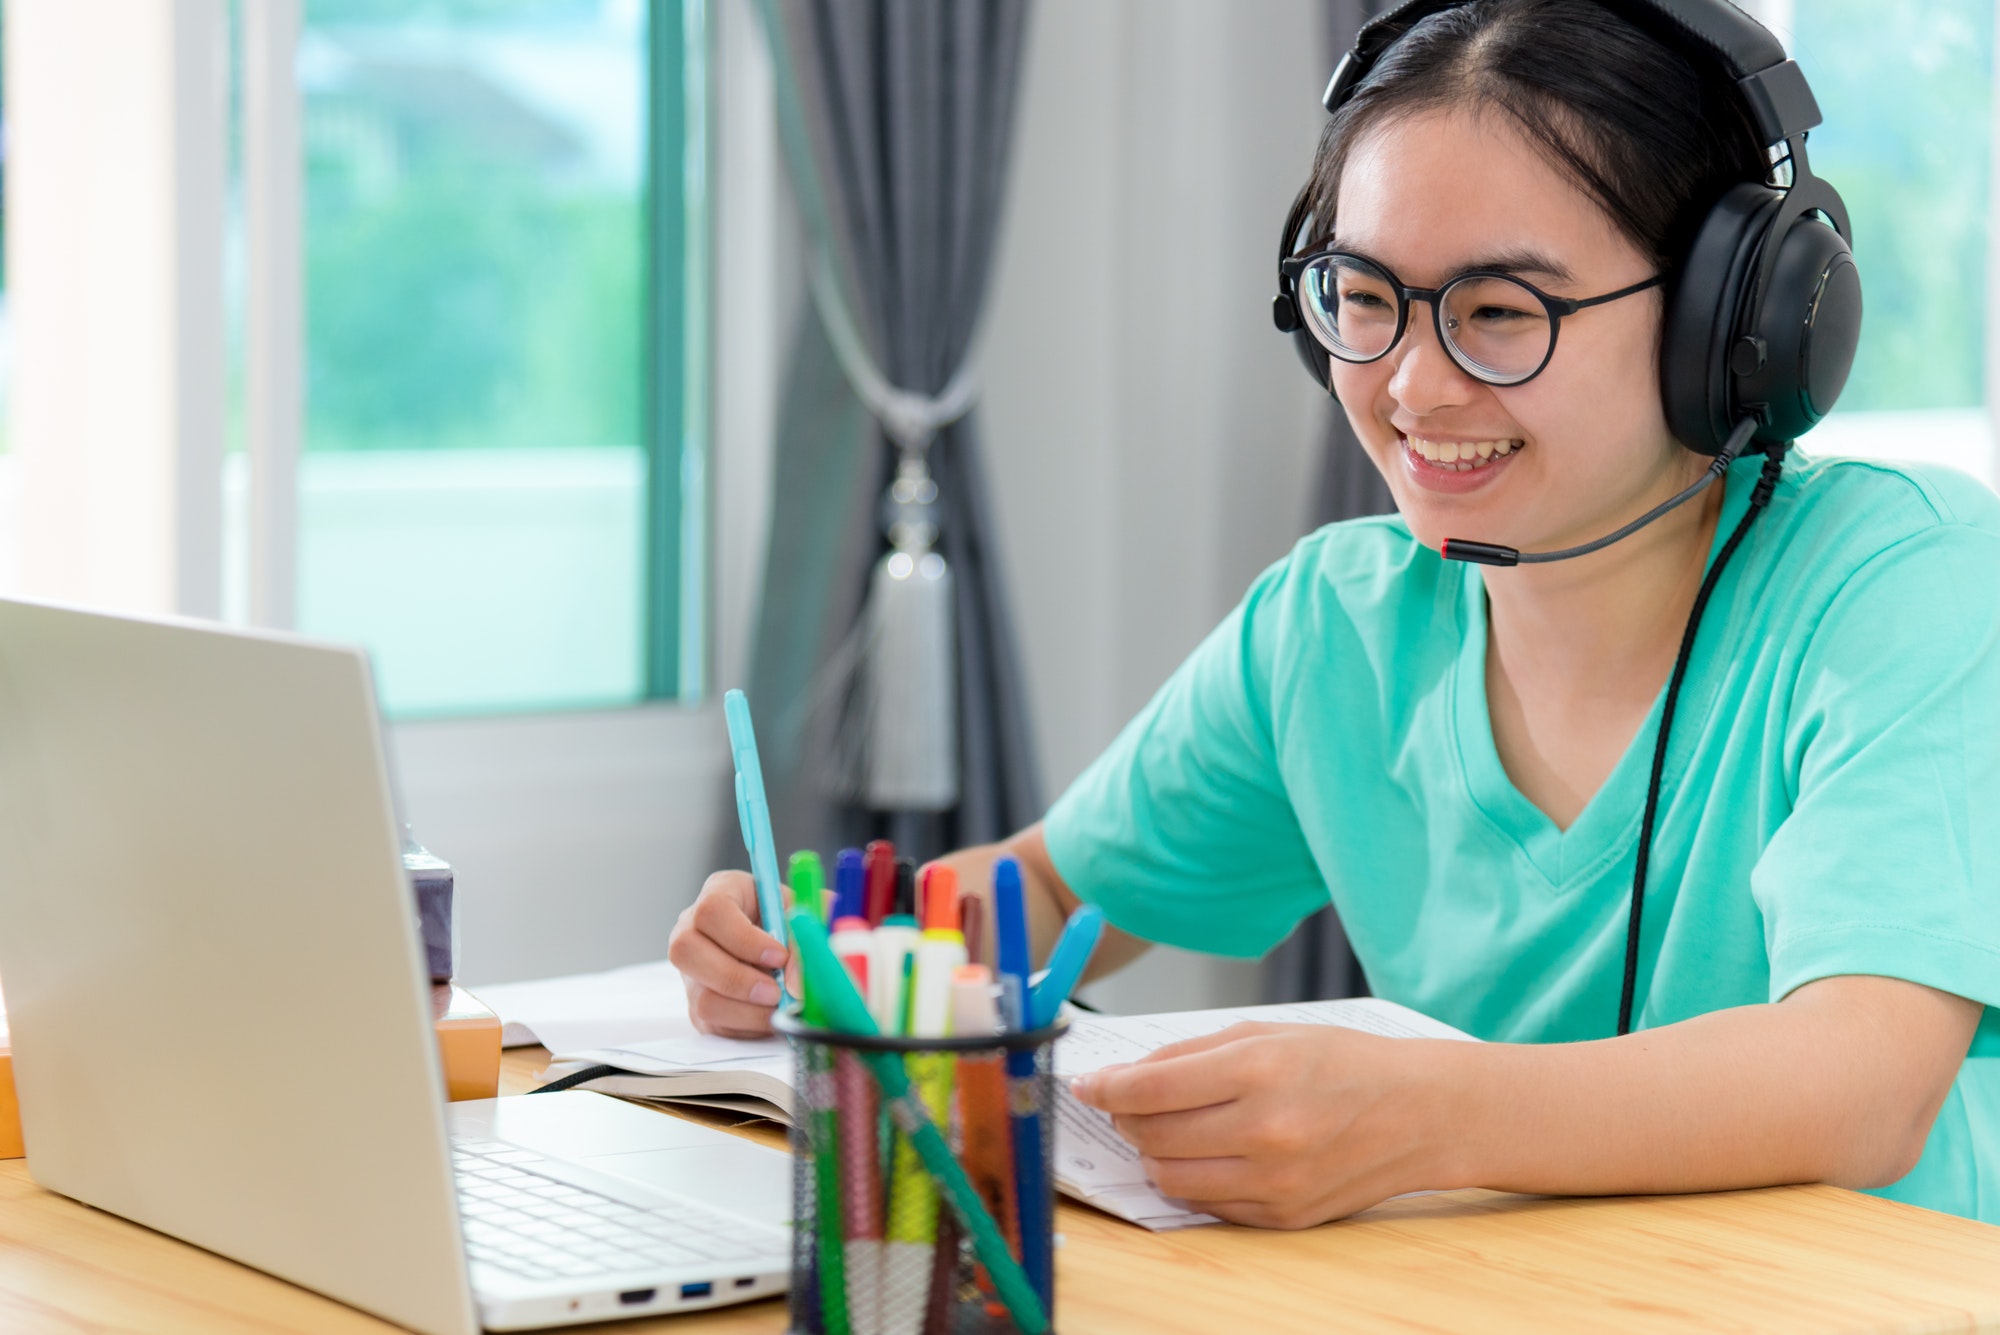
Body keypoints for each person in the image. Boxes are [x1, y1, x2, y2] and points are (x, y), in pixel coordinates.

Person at [670, 0, 2000, 1229]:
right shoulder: (1336, 626)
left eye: (1498, 311)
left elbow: (1861, 1079)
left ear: (1733, 322)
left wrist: (1418, 1115)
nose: (1413, 385)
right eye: (1364, 301)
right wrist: (836, 949)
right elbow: (1058, 895)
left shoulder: (1902, 581)